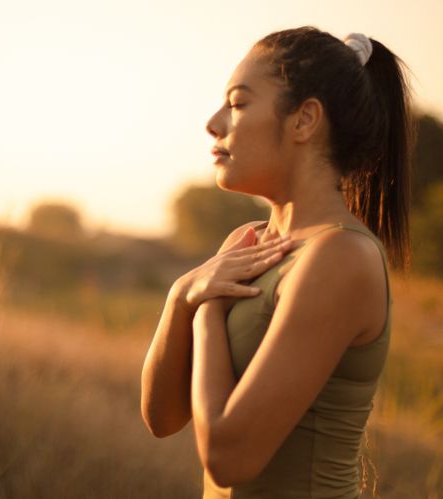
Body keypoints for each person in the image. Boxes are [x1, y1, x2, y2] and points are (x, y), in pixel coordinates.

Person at [140, 26, 413, 498]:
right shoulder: (245, 244)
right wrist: (181, 295)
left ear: (304, 120)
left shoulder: (341, 255)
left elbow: (229, 457)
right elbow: (161, 418)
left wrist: (206, 309)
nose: (213, 122)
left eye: (238, 103)